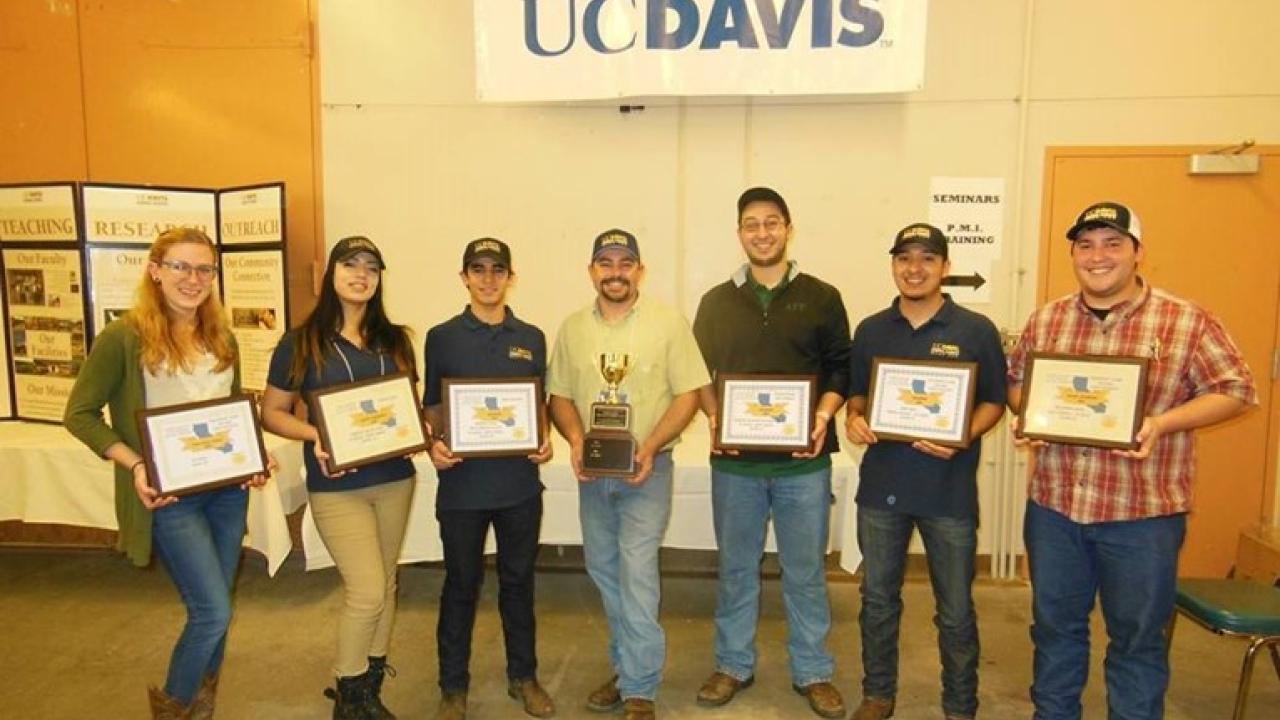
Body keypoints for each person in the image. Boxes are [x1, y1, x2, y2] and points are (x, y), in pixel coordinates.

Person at [1007, 202, 1257, 719]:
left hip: (1143, 517)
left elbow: (1236, 390)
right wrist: (1029, 416)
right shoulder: (1047, 318)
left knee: (1138, 641)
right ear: (1074, 253)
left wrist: (1161, 423)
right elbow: (1016, 383)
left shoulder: (1185, 320)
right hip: (1055, 509)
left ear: (1138, 252)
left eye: (1112, 243)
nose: (1098, 256)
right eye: (1086, 244)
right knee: (1054, 631)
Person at [64, 227, 270, 719]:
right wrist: (135, 463)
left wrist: (250, 459)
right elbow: (79, 414)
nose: (192, 278)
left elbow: (229, 412)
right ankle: (175, 710)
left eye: (204, 269)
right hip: (169, 498)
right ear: (155, 270)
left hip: (225, 493)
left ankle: (202, 708)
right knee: (212, 611)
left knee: (219, 607)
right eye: (180, 266)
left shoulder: (222, 336)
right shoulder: (122, 338)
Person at [690, 186, 851, 719]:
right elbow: (698, 373)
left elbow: (839, 369)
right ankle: (733, 663)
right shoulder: (716, 301)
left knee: (805, 571)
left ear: (788, 228)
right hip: (735, 465)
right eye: (752, 224)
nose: (762, 232)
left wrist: (822, 419)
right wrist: (716, 418)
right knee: (737, 568)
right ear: (740, 233)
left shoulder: (822, 296)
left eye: (772, 222)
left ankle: (814, 671)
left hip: (804, 464)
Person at [843, 223, 1007, 720]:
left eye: (927, 258)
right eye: (904, 258)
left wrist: (963, 436)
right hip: (883, 488)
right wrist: (854, 418)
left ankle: (960, 705)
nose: (914, 268)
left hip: (948, 491)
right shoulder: (871, 329)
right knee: (877, 600)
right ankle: (878, 694)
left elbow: (995, 401)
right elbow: (857, 395)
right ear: (893, 264)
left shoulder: (975, 330)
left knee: (955, 610)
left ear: (945, 268)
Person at [547, 228, 709, 720]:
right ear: (592, 270)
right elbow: (560, 397)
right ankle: (625, 666)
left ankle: (640, 685)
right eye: (605, 262)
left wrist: (652, 446)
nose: (615, 272)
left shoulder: (668, 323)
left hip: (647, 471)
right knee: (604, 570)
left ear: (639, 269)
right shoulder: (573, 328)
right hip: (594, 475)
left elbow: (688, 394)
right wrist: (576, 440)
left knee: (637, 571)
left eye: (624, 262)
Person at [260, 236, 420, 720]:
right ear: (331, 274)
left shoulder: (396, 339)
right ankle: (348, 696)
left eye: (371, 266)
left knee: (387, 584)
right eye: (349, 264)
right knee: (367, 590)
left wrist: (421, 425)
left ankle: (371, 688)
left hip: (395, 477)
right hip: (336, 485)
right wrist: (317, 436)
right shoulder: (300, 342)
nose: (361, 273)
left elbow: (406, 407)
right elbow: (272, 412)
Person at [422, 238, 555, 720]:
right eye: (477, 270)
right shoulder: (442, 337)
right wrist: (431, 441)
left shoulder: (533, 337)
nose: (487, 278)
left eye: (497, 269)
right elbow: (432, 406)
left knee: (518, 583)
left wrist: (544, 439)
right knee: (461, 585)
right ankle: (452, 687)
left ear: (510, 277)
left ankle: (524, 677)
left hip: (519, 487)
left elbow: (538, 406)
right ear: (464, 278)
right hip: (462, 489)